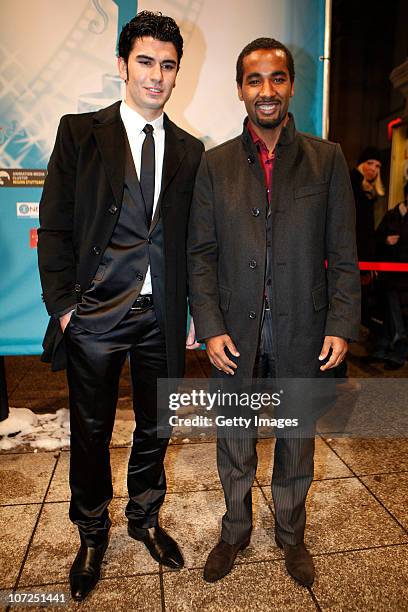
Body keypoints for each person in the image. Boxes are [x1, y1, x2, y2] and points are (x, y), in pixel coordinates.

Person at [37, 11, 204, 601]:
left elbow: (190, 241)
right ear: (122, 65)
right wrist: (63, 306)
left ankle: (145, 518)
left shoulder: (189, 149)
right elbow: (54, 226)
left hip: (161, 316)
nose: (156, 75)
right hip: (95, 315)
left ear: (177, 73)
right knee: (91, 429)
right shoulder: (80, 132)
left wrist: (192, 314)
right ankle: (91, 532)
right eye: (145, 62)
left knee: (157, 426)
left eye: (167, 65)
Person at [188, 37, 360, 586]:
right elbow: (201, 255)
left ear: (290, 85)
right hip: (235, 334)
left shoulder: (327, 159)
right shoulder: (213, 166)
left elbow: (345, 254)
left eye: (277, 78)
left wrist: (340, 324)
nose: (267, 90)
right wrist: (210, 326)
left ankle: (291, 534)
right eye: (255, 79)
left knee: (296, 441)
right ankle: (234, 530)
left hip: (303, 330)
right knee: (234, 440)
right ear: (240, 88)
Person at [372, 183, 408, 368]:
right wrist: (386, 240)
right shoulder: (391, 215)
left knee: (397, 310)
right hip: (389, 274)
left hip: (404, 277)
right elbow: (377, 237)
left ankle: (398, 347)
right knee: (388, 309)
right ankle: (386, 346)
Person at [351, 147, 385, 329]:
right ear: (362, 164)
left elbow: (368, 231)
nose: (374, 168)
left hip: (363, 256)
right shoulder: (352, 183)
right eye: (370, 163)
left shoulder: (371, 192)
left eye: (378, 166)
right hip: (351, 254)